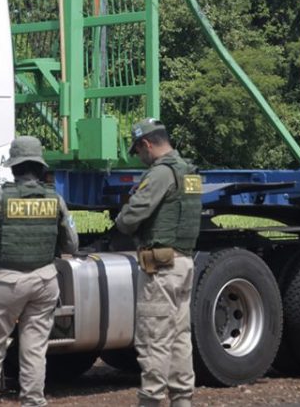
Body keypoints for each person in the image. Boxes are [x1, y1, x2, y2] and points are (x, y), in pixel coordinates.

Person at [0, 136, 79, 407]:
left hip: (5, 282)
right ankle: (33, 401)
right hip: (44, 281)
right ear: (39, 167)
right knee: (34, 349)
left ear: (13, 167)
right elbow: (72, 245)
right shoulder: (55, 200)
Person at [113, 119, 201, 407]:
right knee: (179, 338)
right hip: (183, 262)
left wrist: (121, 219)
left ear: (146, 144)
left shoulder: (161, 173)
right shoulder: (188, 171)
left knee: (154, 338)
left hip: (162, 268)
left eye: (138, 152)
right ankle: (182, 400)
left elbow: (132, 216)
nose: (140, 158)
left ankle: (150, 400)